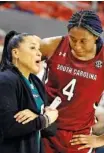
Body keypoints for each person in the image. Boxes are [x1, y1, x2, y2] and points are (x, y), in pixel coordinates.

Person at [40, 10, 104, 153]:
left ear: (95, 36)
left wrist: (100, 139)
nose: (77, 45)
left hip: (78, 138)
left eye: (83, 41)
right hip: (44, 127)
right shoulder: (51, 45)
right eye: (73, 39)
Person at [0, 31, 58, 153]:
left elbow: (50, 130)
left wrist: (40, 118)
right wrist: (44, 119)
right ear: (16, 53)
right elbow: (8, 127)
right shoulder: (6, 80)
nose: (39, 53)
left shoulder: (36, 82)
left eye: (39, 49)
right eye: (32, 47)